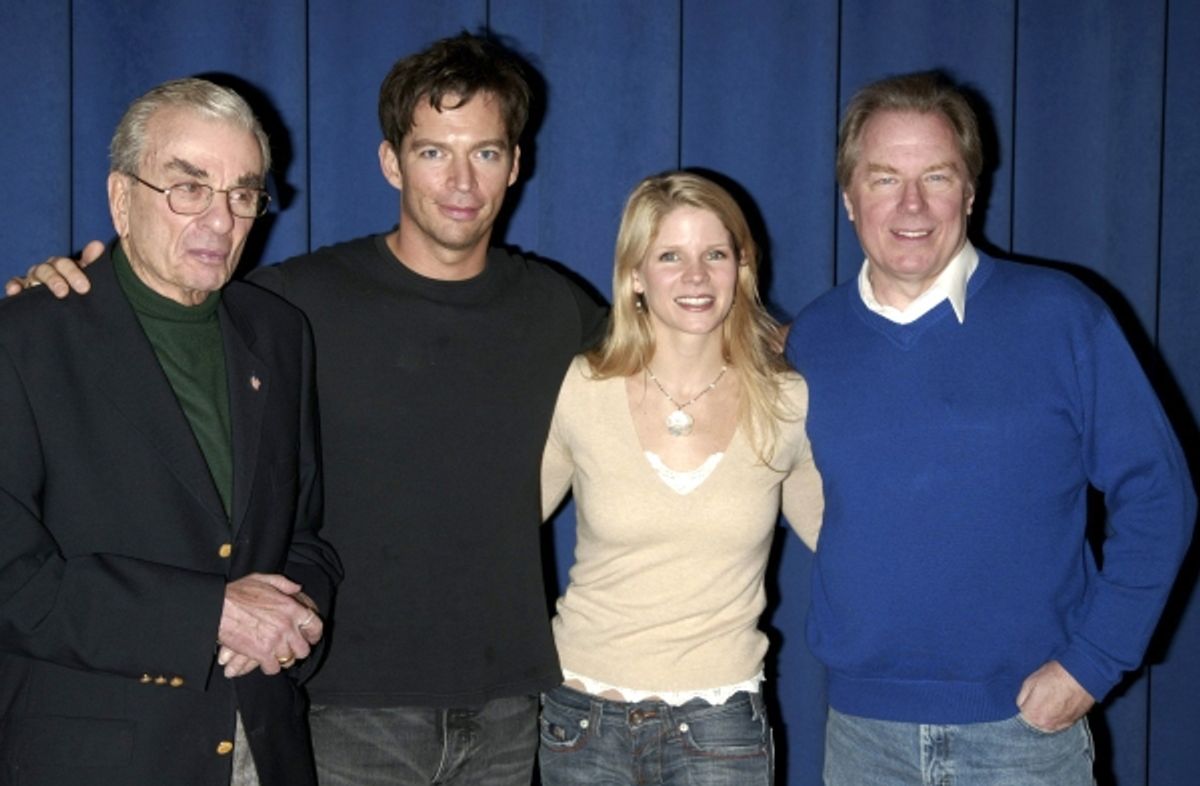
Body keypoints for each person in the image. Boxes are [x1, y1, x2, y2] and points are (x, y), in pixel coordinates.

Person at [9, 34, 607, 785]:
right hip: (340, 713)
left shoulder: (557, 309)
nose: (460, 179)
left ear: (516, 165)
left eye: (485, 152)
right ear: (391, 161)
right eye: (432, 152)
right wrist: (61, 287)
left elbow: (689, 354)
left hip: (500, 708)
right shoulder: (294, 305)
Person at [787, 71, 1196, 785]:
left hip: (1023, 737)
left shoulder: (1063, 317)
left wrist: (1092, 663)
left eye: (937, 176)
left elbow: (1160, 495)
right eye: (884, 178)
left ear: (971, 192)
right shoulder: (812, 341)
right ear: (848, 196)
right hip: (862, 739)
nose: (911, 204)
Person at [0, 78, 341, 786]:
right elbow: (12, 582)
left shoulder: (278, 334)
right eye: (189, 187)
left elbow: (303, 535)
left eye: (243, 194)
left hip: (261, 748)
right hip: (97, 760)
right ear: (122, 199)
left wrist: (293, 620)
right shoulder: (26, 339)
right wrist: (209, 615)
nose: (221, 221)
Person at [537, 171, 823, 785]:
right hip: (583, 722)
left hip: (720, 728)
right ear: (636, 274)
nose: (696, 276)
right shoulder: (582, 388)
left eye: (714, 254)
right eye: (670, 256)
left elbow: (849, 542)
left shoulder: (787, 402)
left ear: (741, 268)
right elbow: (497, 526)